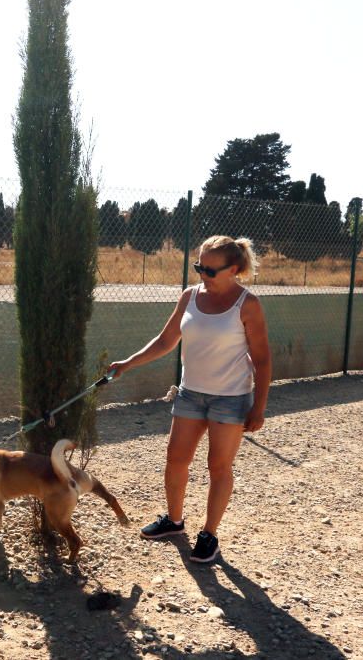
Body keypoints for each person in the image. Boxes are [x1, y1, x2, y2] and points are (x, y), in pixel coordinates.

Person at [107, 235, 271, 563]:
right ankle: (174, 520)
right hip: (190, 393)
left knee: (218, 467)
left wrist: (259, 407)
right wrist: (127, 364)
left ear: (234, 269)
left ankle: (209, 534)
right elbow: (166, 340)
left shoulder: (247, 304)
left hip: (231, 398)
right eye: (199, 267)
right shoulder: (190, 297)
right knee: (175, 458)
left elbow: (263, 359)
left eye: (210, 271)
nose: (202, 276)